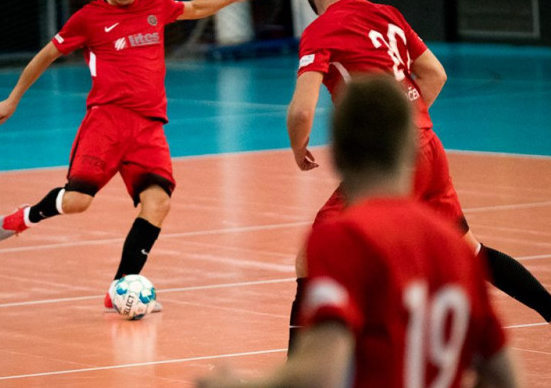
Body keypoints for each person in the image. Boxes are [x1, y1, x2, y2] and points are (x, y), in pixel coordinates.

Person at [285, 0, 551, 366]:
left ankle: (302, 370)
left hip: (394, 161)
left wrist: (299, 147)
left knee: (313, 257)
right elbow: (434, 74)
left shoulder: (321, 31)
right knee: (469, 250)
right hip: (429, 146)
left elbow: (302, 111)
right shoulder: (385, 14)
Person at [198, 75, 522, 388]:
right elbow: (504, 376)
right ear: (410, 148)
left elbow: (322, 371)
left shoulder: (343, 238)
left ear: (337, 155)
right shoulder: (455, 249)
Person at [0, 0, 265, 312]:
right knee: (77, 202)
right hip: (107, 122)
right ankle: (23, 218)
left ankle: (120, 288)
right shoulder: (88, 18)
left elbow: (195, 7)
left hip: (148, 126)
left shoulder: (156, 6)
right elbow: (46, 55)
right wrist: (12, 98)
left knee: (158, 202)